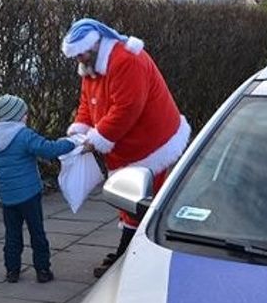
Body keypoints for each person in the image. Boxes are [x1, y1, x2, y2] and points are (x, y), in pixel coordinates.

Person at [62, 18, 191, 277]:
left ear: (95, 45)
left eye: (81, 54)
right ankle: (130, 253)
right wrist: (80, 130)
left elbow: (127, 108)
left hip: (151, 144)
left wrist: (96, 139)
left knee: (142, 201)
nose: (79, 61)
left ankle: (129, 256)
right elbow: (87, 103)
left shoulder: (126, 60)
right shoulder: (92, 66)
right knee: (130, 200)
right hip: (126, 145)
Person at [0, 94, 77, 284]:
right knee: (37, 232)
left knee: (12, 234)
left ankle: (12, 271)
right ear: (16, 115)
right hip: (29, 194)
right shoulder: (24, 135)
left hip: (7, 195)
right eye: (24, 113)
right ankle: (42, 270)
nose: (26, 116)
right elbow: (48, 149)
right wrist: (72, 143)